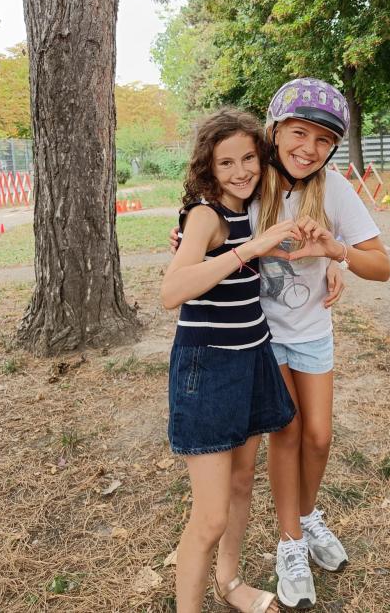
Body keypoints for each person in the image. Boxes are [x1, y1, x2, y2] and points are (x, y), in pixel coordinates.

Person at [170, 79, 390, 609]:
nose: (307, 149)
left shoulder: (332, 188)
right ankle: (290, 541)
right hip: (258, 338)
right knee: (286, 437)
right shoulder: (253, 179)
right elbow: (201, 229)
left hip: (311, 333)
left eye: (322, 140)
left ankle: (309, 518)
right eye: (298, 133)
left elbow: (380, 265)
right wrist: (183, 242)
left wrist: (334, 253)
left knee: (318, 437)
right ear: (274, 132)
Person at [161, 108, 299, 613]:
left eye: (248, 159)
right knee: (211, 517)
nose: (241, 171)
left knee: (243, 482)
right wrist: (250, 249)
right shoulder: (207, 215)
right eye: (226, 163)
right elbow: (172, 290)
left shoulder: (250, 207)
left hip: (252, 357)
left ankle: (229, 581)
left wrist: (325, 267)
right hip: (209, 368)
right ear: (208, 168)